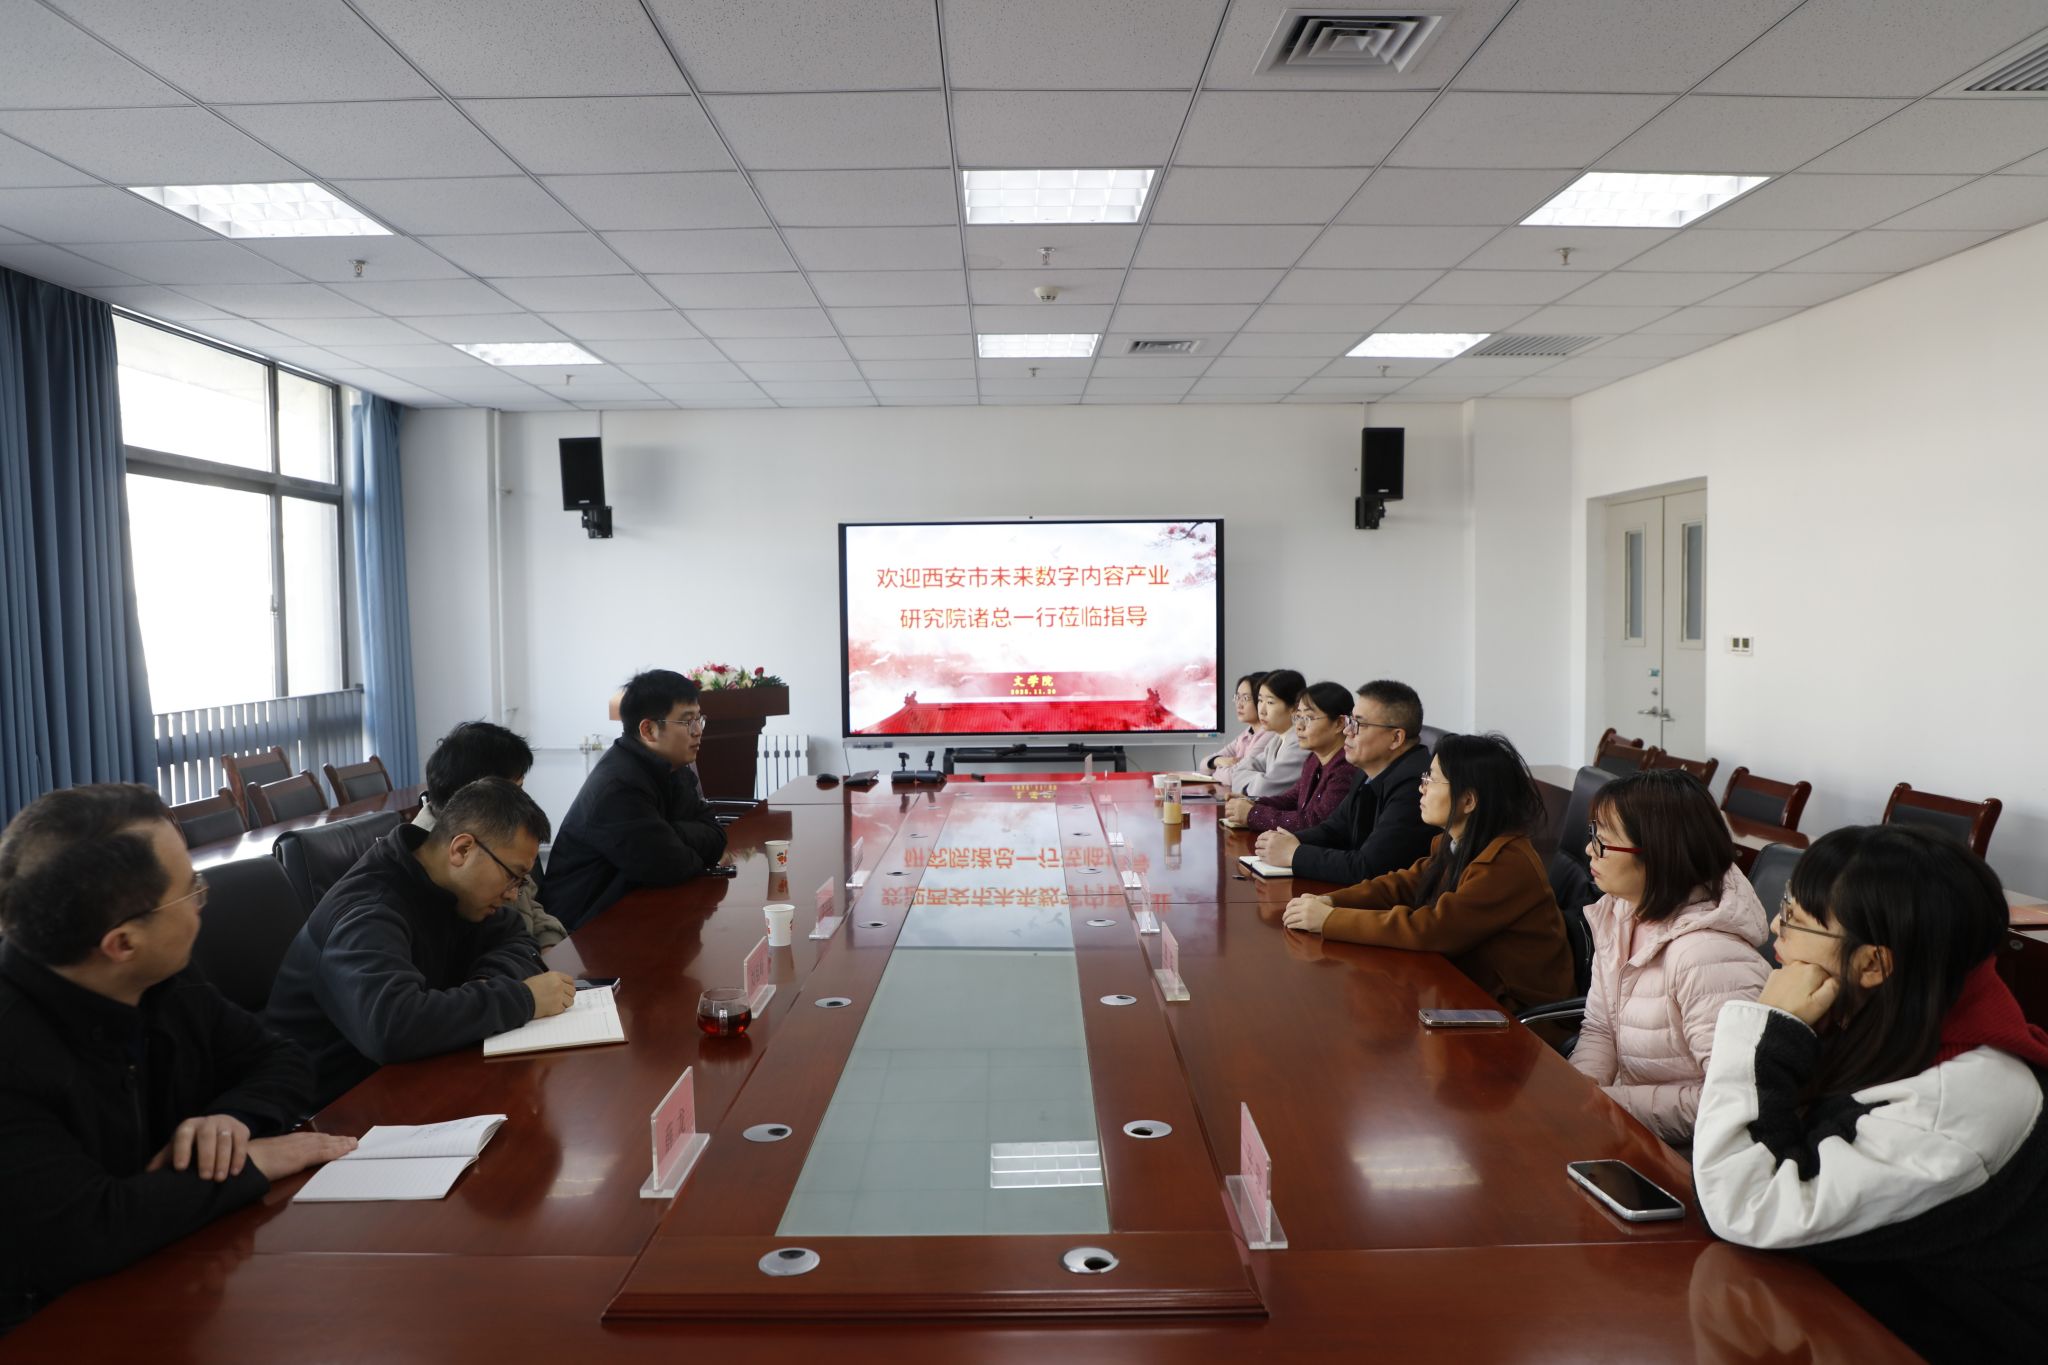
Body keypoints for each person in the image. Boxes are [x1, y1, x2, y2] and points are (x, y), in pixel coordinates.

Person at [0, 785, 355, 1332]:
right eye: (191, 891)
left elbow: (283, 1059)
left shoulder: (162, 978)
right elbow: (88, 1231)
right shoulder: (13, 1048)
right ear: (122, 943)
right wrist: (254, 1162)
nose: (200, 904)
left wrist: (232, 1121)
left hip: (177, 1269)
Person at [1693, 826, 2048, 1364]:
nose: (1774, 927)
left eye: (1793, 917)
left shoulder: (1951, 1109)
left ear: (1873, 965)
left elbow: (1745, 1206)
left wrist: (1766, 1029)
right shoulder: (1900, 1017)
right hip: (1854, 1306)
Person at [265, 778, 574, 1109]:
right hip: (331, 1108)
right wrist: (522, 999)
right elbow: (392, 1026)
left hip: (416, 1078)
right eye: (512, 875)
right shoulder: (369, 910)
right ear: (462, 849)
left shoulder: (456, 890)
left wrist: (487, 985)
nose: (513, 894)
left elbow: (517, 938)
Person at [1281, 733, 1573, 1017]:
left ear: (1468, 800)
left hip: (1514, 1019)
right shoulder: (1459, 842)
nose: (1421, 788)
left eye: (1431, 779)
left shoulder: (1506, 864)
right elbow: (1403, 885)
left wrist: (1331, 920)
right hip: (1471, 993)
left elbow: (1433, 929)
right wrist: (1331, 901)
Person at [1569, 769, 1769, 1143]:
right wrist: (1580, 1091)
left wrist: (1608, 1104)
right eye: (1592, 834)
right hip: (1626, 1125)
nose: (1589, 850)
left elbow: (1731, 1101)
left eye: (1603, 842)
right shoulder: (1619, 914)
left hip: (1683, 1152)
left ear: (1659, 853)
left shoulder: (1707, 957)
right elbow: (1600, 1027)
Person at [542, 668, 729, 931]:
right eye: (687, 721)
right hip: (583, 933)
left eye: (699, 719)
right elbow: (670, 867)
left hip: (635, 913)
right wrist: (676, 843)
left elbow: (716, 836)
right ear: (649, 730)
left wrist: (669, 834)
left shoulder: (672, 769)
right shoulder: (618, 787)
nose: (698, 731)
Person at [1252, 679, 1433, 884]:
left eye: (1359, 724)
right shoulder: (1367, 771)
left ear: (1396, 738)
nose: (1347, 731)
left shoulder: (1415, 786)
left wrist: (1294, 854)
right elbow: (1335, 828)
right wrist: (1290, 841)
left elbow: (1368, 868)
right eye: (1350, 721)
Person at [417, 720, 566, 949]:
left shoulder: (494, 838)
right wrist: (533, 958)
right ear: (478, 793)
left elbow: (527, 903)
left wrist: (549, 944)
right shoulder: (442, 864)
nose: (523, 800)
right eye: (516, 790)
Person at [1224, 681, 1357, 834]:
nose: (1299, 726)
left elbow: (1317, 822)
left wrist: (1252, 814)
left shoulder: (1346, 767)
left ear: (1339, 723)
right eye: (1298, 717)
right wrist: (1252, 802)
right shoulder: (1314, 759)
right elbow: (1292, 799)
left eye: (1308, 718)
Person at [1219, 668, 1308, 799]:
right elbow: (1238, 772)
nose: (1262, 710)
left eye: (1270, 702)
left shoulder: (1299, 743)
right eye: (1260, 700)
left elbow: (1263, 790)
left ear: (1294, 707)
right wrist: (1261, 779)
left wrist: (1249, 784)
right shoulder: (1277, 740)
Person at [1202, 671, 1273, 773]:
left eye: (1245, 698)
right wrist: (1217, 760)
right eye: (1237, 697)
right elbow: (1204, 766)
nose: (1239, 704)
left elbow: (1236, 774)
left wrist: (1217, 770)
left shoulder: (1270, 734)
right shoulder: (1247, 733)